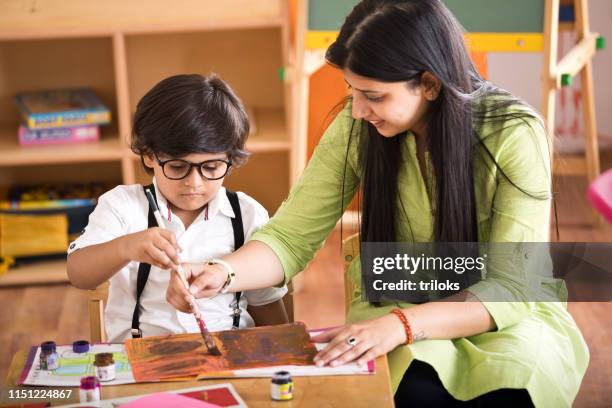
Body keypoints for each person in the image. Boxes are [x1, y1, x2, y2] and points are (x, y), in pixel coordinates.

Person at [165, 1, 589, 406]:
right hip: (396, 301)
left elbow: (511, 288)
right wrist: (223, 273)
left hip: (500, 313)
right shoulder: (356, 126)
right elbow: (291, 237)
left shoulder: (514, 133)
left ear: (429, 83)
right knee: (414, 394)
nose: (358, 109)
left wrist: (403, 327)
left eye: (374, 96)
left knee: (511, 393)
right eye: (352, 91)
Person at [67, 73, 288, 342]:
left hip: (230, 355)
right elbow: (79, 274)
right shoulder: (122, 205)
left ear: (230, 159)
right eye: (177, 167)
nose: (194, 183)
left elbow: (267, 306)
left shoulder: (247, 214)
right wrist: (126, 247)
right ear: (149, 155)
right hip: (140, 359)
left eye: (212, 167)